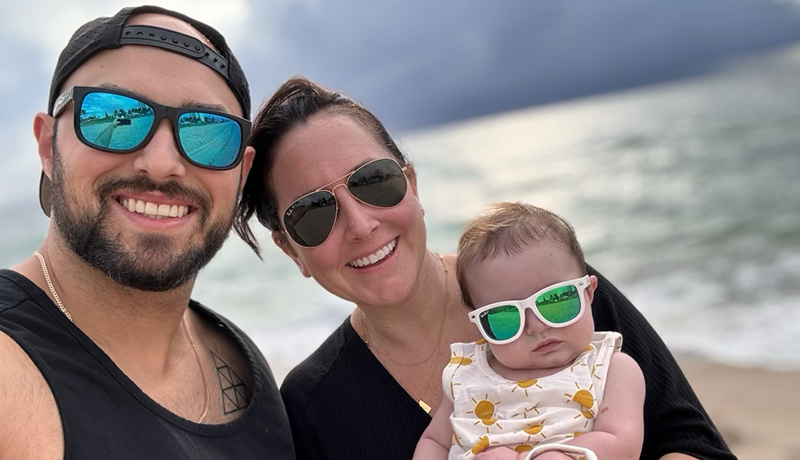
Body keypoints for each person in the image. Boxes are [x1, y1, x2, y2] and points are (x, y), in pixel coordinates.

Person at [234, 76, 736, 460]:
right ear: (290, 250)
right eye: (313, 213)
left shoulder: (557, 295)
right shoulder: (314, 407)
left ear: (412, 184)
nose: (361, 224)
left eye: (374, 181)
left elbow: (697, 444)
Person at [0, 6, 294, 459]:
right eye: (115, 117)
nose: (161, 163)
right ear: (47, 145)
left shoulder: (242, 360)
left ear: (242, 171)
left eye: (206, 131)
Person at [414, 202, 645, 460]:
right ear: (479, 324)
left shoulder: (610, 368)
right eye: (506, 316)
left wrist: (550, 456)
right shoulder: (466, 373)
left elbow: (623, 443)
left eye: (555, 300)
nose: (536, 326)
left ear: (589, 292)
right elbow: (434, 441)